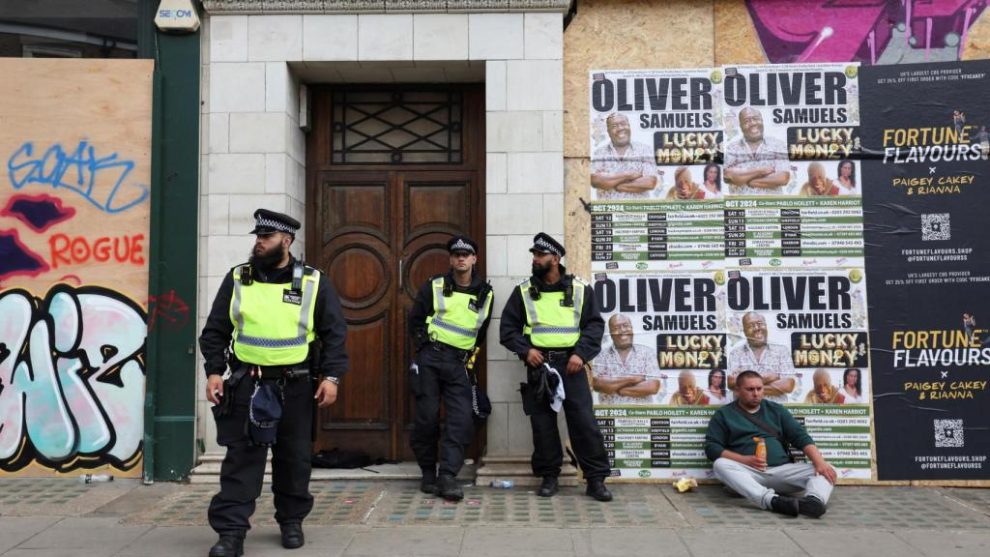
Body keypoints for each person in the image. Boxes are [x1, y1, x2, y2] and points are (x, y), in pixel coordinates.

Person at [199, 209, 349, 556]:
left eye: (266, 237)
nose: (259, 242)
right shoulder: (238, 278)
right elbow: (215, 331)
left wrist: (331, 377)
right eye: (257, 237)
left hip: (296, 385)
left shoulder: (312, 281)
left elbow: (334, 333)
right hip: (247, 384)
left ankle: (291, 520)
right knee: (242, 459)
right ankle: (231, 534)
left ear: (288, 240)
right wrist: (214, 371)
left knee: (294, 458)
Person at [500, 232, 613, 501]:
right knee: (543, 425)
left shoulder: (580, 289)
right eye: (534, 255)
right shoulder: (524, 291)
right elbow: (508, 329)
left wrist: (581, 355)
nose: (535, 259)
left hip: (571, 365)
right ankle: (549, 477)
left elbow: (595, 325)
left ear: (555, 258)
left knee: (584, 423)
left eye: (540, 255)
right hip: (540, 368)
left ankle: (595, 479)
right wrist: (526, 350)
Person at [407, 236, 493, 502]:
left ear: (474, 259)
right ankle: (428, 474)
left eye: (466, 254)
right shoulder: (435, 285)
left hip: (459, 364)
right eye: (456, 254)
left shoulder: (485, 293)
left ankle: (448, 476)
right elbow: (416, 319)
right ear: (450, 259)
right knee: (426, 418)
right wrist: (423, 348)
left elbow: (482, 330)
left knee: (460, 419)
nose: (461, 259)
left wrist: (466, 355)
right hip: (431, 358)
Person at [705, 370, 837, 517]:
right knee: (720, 464)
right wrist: (744, 460)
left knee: (828, 468)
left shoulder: (776, 410)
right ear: (737, 390)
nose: (756, 393)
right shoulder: (724, 414)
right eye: (750, 389)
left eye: (759, 389)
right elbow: (712, 448)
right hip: (748, 473)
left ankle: (813, 502)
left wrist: (819, 462)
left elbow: (800, 437)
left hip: (782, 471)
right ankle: (771, 501)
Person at [591, 314, 662, 405]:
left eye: (625, 325)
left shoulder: (647, 353)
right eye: (616, 327)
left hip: (641, 416)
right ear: (611, 333)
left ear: (632, 329)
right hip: (611, 416)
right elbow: (598, 384)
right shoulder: (601, 355)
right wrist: (632, 379)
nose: (622, 330)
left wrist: (619, 389)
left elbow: (653, 387)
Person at [728, 312, 796, 403]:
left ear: (766, 326)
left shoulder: (781, 351)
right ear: (744, 331)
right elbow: (731, 383)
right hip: (744, 414)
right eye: (751, 325)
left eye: (760, 324)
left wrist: (746, 387)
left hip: (775, 413)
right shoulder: (736, 354)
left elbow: (788, 385)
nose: (757, 328)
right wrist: (770, 377)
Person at [724, 107, 791, 195]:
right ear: (741, 126)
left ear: (762, 121)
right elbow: (729, 177)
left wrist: (748, 180)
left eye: (756, 119)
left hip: (770, 206)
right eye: (747, 121)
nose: (752, 123)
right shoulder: (732, 148)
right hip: (741, 206)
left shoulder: (778, 145)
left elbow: (783, 178)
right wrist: (760, 171)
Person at [591, 113, 658, 199]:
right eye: (614, 126)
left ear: (629, 126)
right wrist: (628, 175)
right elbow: (595, 181)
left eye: (623, 124)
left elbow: (650, 182)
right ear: (608, 131)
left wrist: (615, 185)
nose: (620, 128)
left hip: (638, 211)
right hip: (607, 210)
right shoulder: (600, 153)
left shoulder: (644, 150)